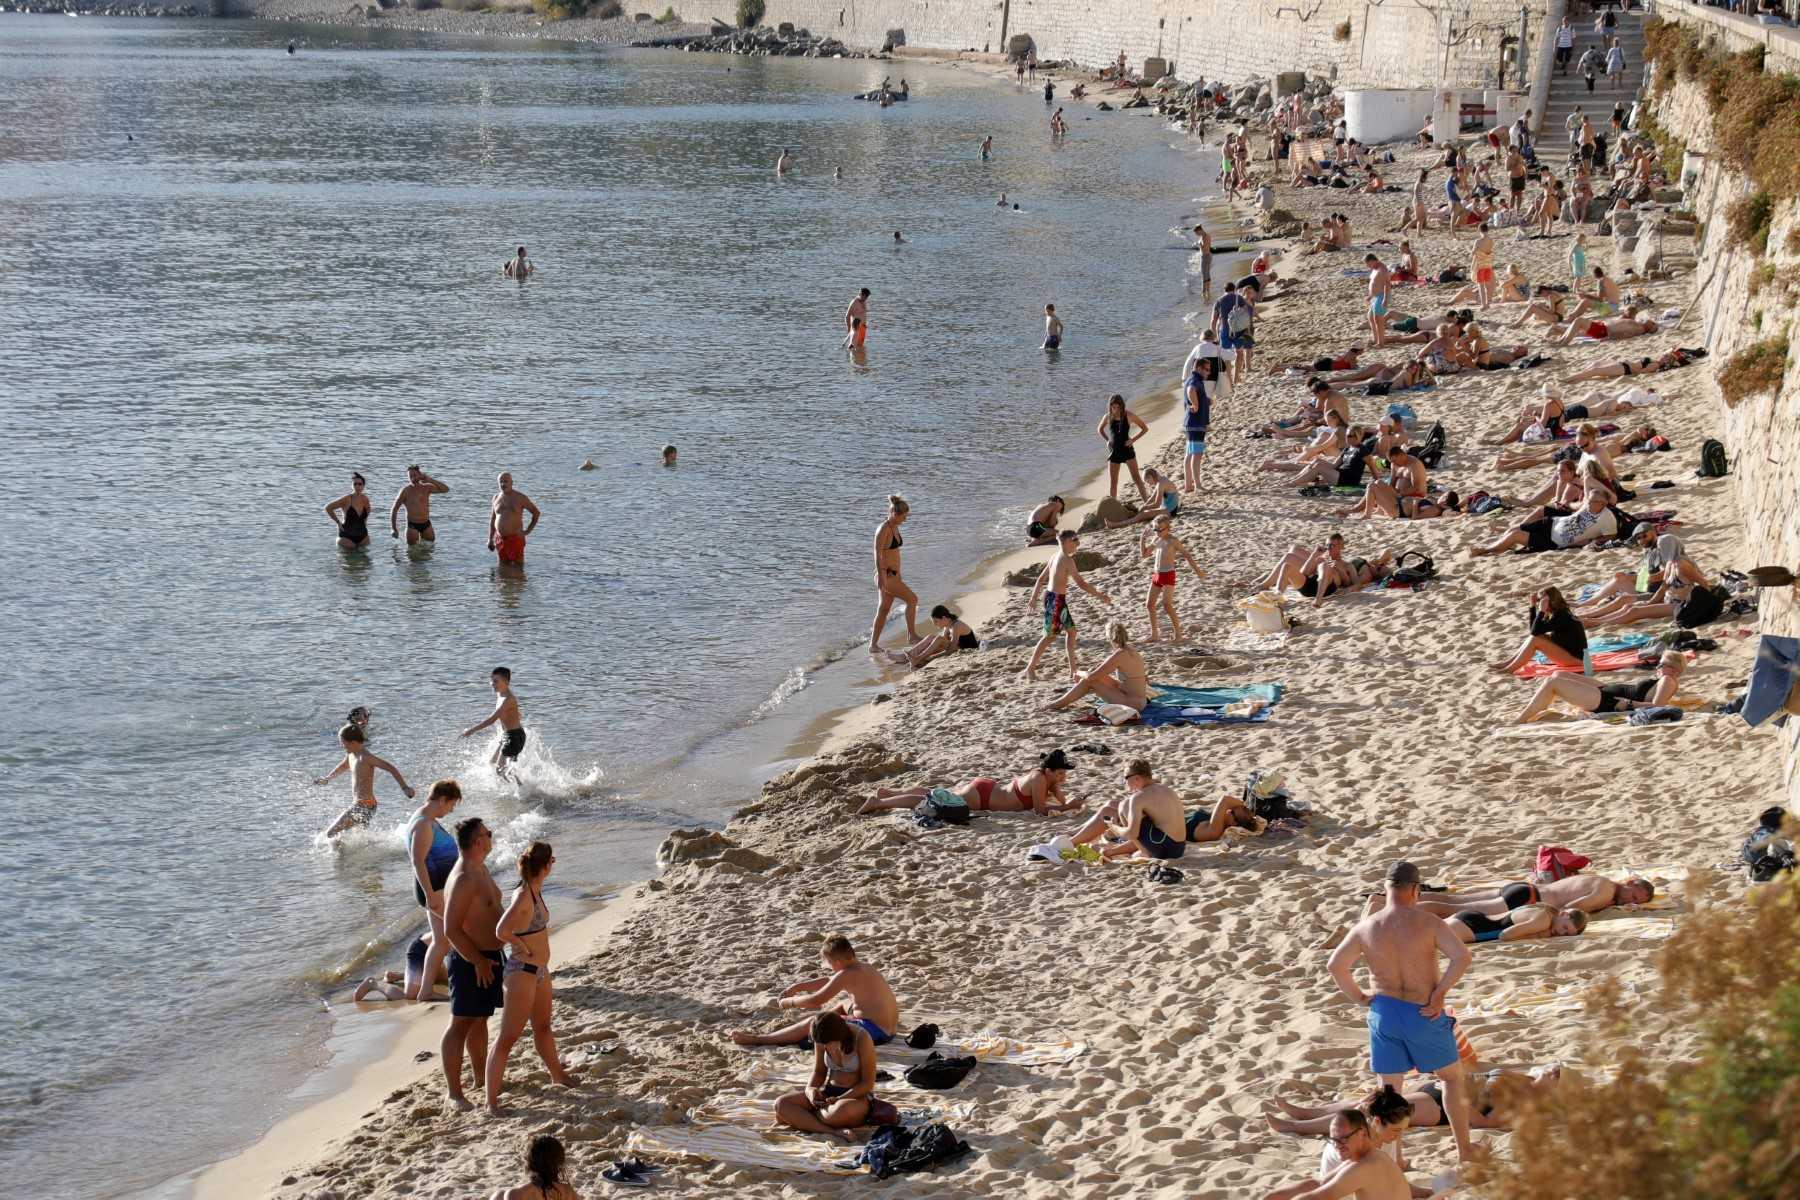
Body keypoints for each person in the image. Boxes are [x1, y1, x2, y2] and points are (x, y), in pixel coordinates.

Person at [1325, 861, 1476, 1164]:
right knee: (1452, 1079)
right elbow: (1461, 957)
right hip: (1423, 1012)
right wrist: (1440, 993)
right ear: (1415, 889)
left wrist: (1361, 998)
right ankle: (1464, 1151)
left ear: (1386, 889)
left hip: (1385, 1013)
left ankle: (1394, 1160)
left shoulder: (1367, 926)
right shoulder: (1427, 922)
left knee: (1389, 1094)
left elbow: (1335, 966)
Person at [485, 841, 579, 1114]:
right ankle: (491, 1102)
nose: (554, 864)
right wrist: (522, 945)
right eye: (553, 860)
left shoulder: (536, 891)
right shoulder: (524, 895)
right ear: (546, 864)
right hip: (521, 974)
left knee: (543, 1027)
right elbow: (501, 931)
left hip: (539, 971)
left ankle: (558, 1075)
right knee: (507, 1038)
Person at [731, 934, 901, 1046]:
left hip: (876, 1032)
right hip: (888, 1029)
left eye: (829, 963)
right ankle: (815, 1029)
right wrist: (797, 987)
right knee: (844, 1003)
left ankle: (760, 1040)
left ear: (837, 962)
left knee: (814, 1021)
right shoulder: (863, 967)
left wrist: (789, 1002)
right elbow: (830, 981)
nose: (829, 967)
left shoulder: (846, 974)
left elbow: (816, 1001)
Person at [441, 817, 503, 1112]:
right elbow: (450, 930)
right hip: (470, 960)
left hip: (489, 957)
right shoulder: (464, 877)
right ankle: (454, 1093)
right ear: (478, 841)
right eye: (488, 834)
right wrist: (477, 960)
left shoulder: (481, 868)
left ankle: (480, 1078)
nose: (491, 837)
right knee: (460, 1023)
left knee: (480, 1018)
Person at [859, 748, 1080, 816]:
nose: (1064, 777)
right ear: (1049, 770)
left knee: (938, 793)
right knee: (933, 801)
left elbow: (1059, 800)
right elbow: (1041, 811)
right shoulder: (1040, 779)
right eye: (1060, 773)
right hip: (982, 797)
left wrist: (1059, 787)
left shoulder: (1044, 777)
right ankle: (877, 803)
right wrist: (1069, 806)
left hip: (986, 789)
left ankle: (889, 793)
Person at [1261, 1109, 1414, 1200]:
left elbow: (1317, 1197)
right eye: (1333, 1139)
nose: (1337, 1146)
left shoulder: (1366, 1166)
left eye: (1343, 1139)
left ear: (1361, 1133)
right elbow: (1319, 1184)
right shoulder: (1364, 1157)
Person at [1025, 530, 1113, 680]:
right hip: (1055, 600)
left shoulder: (1055, 556)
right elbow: (1081, 583)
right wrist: (1100, 595)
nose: (1078, 543)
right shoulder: (1066, 559)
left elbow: (1040, 580)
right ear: (1066, 542)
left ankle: (1073, 670)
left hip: (1055, 598)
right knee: (1049, 637)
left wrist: (1034, 598)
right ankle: (1030, 668)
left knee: (1071, 632)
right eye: (1075, 540)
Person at [774, 1013, 878, 1141]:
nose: (825, 1047)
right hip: (828, 1094)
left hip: (856, 1096)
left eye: (828, 1043)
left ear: (839, 1035)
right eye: (822, 1044)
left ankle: (805, 1119)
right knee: (781, 1104)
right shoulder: (821, 1039)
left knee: (839, 1112)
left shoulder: (862, 1037)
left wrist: (840, 1098)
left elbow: (867, 1083)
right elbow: (819, 1072)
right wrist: (810, 1090)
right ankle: (832, 1131)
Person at [406, 779, 463, 1004]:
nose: (451, 810)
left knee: (441, 940)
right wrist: (430, 894)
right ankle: (432, 988)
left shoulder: (428, 819)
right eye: (451, 805)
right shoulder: (422, 824)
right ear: (441, 799)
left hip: (437, 888)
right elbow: (417, 861)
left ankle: (426, 991)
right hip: (434, 889)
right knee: (457, 933)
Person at [1515, 650, 1686, 723]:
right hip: (1606, 690)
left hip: (1609, 701)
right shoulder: (1664, 679)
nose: (1657, 667)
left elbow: (1658, 706)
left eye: (1660, 664)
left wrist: (1629, 705)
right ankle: (1537, 706)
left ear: (1672, 669)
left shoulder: (1668, 680)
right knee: (1557, 674)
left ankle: (1522, 719)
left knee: (1552, 683)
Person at [1067, 758, 1186, 861]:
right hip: (1178, 848)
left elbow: (1131, 833)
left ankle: (1073, 843)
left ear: (1137, 779)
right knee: (1115, 805)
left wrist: (1114, 827)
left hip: (1161, 848)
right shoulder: (1165, 789)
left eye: (1126, 778)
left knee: (1120, 807)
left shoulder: (1138, 798)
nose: (1124, 782)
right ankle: (1078, 835)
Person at [313, 722, 415, 838]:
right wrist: (327, 778)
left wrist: (404, 787)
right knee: (358, 839)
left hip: (364, 805)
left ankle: (339, 856)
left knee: (331, 834)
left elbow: (390, 768)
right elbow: (343, 766)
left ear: (353, 742)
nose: (341, 745)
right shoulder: (351, 754)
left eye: (343, 743)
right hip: (364, 805)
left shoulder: (366, 757)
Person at [1413, 874, 1655, 918]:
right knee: (1451, 910)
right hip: (1527, 900)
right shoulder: (1605, 892)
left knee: (1455, 900)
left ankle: (1395, 900)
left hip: (1523, 889)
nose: (1630, 901)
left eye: (1637, 901)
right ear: (1629, 882)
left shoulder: (1599, 879)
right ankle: (1399, 910)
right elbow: (1572, 909)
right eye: (1634, 894)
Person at [1043, 620, 1149, 712]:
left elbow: (1091, 677)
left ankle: (1057, 704)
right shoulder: (1130, 650)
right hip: (1135, 697)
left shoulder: (1119, 654)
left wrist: (1077, 672)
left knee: (1089, 680)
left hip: (1132, 703)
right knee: (1092, 671)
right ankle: (1066, 697)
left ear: (1109, 637)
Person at [1471, 490, 1617, 556]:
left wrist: (1590, 541)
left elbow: (1611, 536)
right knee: (1512, 531)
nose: (1587, 504)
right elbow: (1575, 508)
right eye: (1588, 500)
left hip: (1553, 540)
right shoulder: (1588, 505)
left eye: (1590, 502)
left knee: (1515, 534)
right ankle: (1499, 546)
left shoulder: (1607, 517)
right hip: (1552, 523)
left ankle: (1486, 550)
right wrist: (1564, 504)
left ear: (1602, 503)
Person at [1490, 588, 1587, 675]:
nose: (1539, 602)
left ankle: (1509, 669)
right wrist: (1532, 607)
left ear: (1551, 601)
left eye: (1541, 600)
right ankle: (1507, 664)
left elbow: (1534, 631)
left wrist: (1541, 611)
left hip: (1576, 660)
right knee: (1536, 638)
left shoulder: (1562, 616)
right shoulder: (1556, 612)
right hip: (1568, 654)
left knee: (1535, 640)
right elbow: (1534, 631)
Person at [1139, 516, 1203, 642]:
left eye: (1160, 530)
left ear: (1168, 528)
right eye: (1155, 530)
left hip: (1168, 575)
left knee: (1167, 605)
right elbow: (1144, 555)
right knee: (1149, 604)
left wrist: (1198, 572)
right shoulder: (1156, 539)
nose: (1157, 532)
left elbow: (1187, 555)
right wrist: (1142, 539)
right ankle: (1154, 634)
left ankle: (1178, 634)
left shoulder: (1173, 541)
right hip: (1157, 575)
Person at [869, 495, 917, 651]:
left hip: (893, 575)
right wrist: (882, 577)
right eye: (904, 517)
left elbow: (894, 553)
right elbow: (877, 553)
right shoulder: (883, 529)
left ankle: (873, 645)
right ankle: (912, 636)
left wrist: (899, 574)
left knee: (883, 609)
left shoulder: (894, 527)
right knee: (912, 600)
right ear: (895, 514)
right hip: (886, 576)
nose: (905, 520)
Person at [461, 666, 527, 780]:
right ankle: (519, 783)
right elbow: (513, 712)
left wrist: (470, 731)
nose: (492, 683)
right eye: (491, 680)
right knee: (491, 763)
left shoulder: (508, 699)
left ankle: (522, 789)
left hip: (514, 737)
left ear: (506, 682)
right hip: (508, 735)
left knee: (499, 770)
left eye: (496, 681)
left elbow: (492, 720)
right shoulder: (500, 694)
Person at [352, 931, 448, 1002]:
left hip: (435, 953)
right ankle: (373, 983)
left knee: (443, 979)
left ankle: (397, 976)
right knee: (411, 996)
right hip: (419, 950)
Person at [880, 604, 979, 669]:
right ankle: (907, 656)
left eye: (936, 621)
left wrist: (930, 658)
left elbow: (951, 649)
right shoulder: (947, 625)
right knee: (931, 637)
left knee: (937, 639)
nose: (935, 625)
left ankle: (916, 658)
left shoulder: (956, 626)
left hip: (967, 649)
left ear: (944, 618)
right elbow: (939, 643)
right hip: (957, 647)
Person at [489, 1133, 580, 1200]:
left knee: (498, 1196)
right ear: (559, 1162)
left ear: (528, 1163)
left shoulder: (517, 1194)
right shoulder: (568, 1191)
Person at [1445, 904, 1587, 944]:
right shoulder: (1543, 920)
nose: (1562, 933)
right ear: (1563, 914)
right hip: (1473, 928)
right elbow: (1504, 935)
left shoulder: (1543, 908)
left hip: (1473, 919)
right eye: (1565, 927)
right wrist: (1539, 935)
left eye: (1567, 934)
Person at [1098, 394, 1150, 502]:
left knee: (1137, 479)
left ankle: (1146, 502)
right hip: (1114, 453)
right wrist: (1107, 440)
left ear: (1122, 406)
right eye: (1113, 407)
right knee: (1113, 483)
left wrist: (1133, 440)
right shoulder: (1107, 417)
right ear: (1110, 406)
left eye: (1118, 407)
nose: (1116, 410)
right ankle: (1113, 507)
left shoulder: (1129, 415)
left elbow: (1144, 428)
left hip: (1127, 451)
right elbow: (1100, 429)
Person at [486, 473, 540, 569]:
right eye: (501, 482)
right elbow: (493, 519)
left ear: (512, 483)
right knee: (502, 568)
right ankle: (505, 583)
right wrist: (490, 539)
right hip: (500, 539)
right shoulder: (495, 498)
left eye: (506, 481)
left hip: (515, 539)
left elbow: (536, 513)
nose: (503, 484)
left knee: (519, 568)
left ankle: (518, 583)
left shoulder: (520, 498)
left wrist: (527, 531)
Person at [1182, 354, 1218, 494]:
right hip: (1196, 423)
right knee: (1196, 455)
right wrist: (1195, 404)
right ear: (1198, 368)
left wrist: (1205, 400)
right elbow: (1191, 390)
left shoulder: (1192, 379)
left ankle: (1188, 485)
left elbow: (1192, 391)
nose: (1208, 373)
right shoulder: (1195, 380)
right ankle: (1197, 485)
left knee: (1189, 453)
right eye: (1206, 369)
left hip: (1190, 423)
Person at [391, 465, 449, 545]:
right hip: (412, 526)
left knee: (429, 550)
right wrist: (394, 529)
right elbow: (394, 509)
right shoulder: (405, 491)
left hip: (426, 524)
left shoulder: (427, 487)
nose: (412, 478)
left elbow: (445, 489)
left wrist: (430, 480)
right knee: (413, 553)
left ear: (420, 475)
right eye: (410, 476)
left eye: (414, 475)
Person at [1105, 468, 1181, 528]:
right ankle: (1129, 519)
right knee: (1143, 512)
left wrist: (1145, 508)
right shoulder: (1160, 481)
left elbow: (1157, 504)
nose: (1148, 484)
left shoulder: (1161, 483)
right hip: (1168, 507)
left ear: (1151, 477)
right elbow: (1152, 498)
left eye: (1147, 481)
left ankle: (1116, 525)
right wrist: (1144, 506)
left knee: (1143, 514)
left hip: (1170, 511)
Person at [1211, 280, 1254, 385]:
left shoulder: (1219, 301)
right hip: (1238, 330)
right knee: (1239, 353)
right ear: (1234, 289)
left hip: (1225, 330)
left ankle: (1229, 381)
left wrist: (1214, 336)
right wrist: (1247, 329)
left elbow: (1213, 320)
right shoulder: (1239, 298)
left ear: (1224, 290)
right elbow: (1246, 314)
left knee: (1226, 356)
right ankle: (1236, 378)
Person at [325, 472, 372, 551]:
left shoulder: (365, 499)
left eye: (359, 484)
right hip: (346, 536)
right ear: (352, 486)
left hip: (363, 536)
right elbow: (328, 508)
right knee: (350, 561)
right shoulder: (346, 499)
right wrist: (338, 522)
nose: (357, 486)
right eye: (355, 484)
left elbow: (368, 510)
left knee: (366, 561)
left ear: (363, 486)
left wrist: (365, 521)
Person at [1365, 254, 1392, 347]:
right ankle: (1375, 339)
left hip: (1381, 296)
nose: (1367, 266)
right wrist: (1370, 296)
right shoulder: (1375, 268)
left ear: (1373, 260)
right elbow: (1375, 283)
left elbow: (1387, 284)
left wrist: (1385, 298)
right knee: (1370, 317)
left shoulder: (1382, 269)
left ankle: (1380, 343)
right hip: (1375, 297)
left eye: (1367, 263)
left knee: (1378, 319)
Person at [1470, 224, 1496, 308]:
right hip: (1488, 264)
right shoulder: (1491, 240)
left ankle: (1484, 304)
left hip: (1480, 265)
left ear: (1479, 230)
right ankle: (1488, 303)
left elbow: (1473, 253)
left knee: (1480, 285)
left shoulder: (1478, 241)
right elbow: (1489, 251)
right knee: (1487, 284)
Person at [1193, 222, 1214, 296]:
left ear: (1199, 231)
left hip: (1206, 256)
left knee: (1204, 274)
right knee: (1207, 273)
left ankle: (1204, 291)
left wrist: (1199, 244)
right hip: (1206, 256)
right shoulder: (1205, 236)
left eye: (1197, 233)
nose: (1197, 235)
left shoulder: (1205, 237)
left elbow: (1205, 248)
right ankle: (1207, 291)